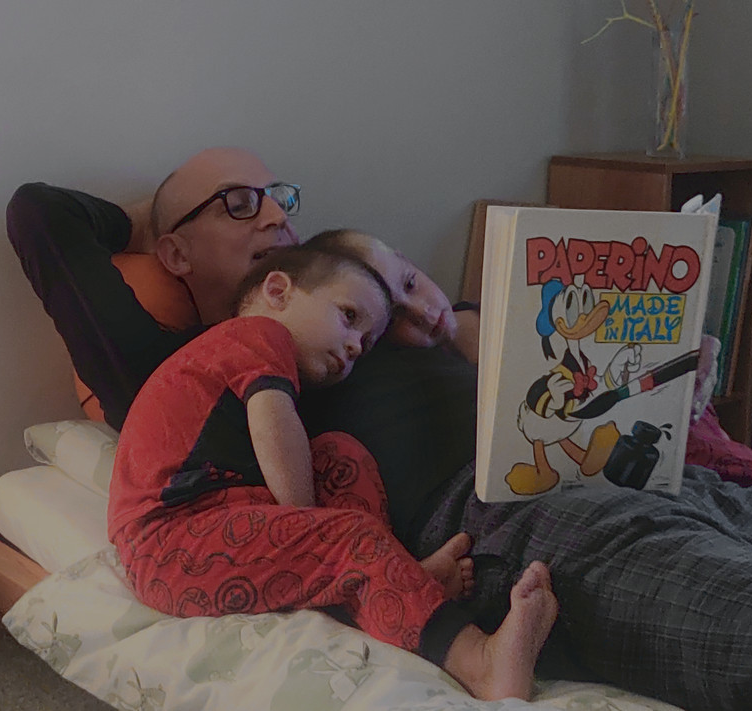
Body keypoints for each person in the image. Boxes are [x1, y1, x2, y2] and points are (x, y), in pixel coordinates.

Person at [7, 147, 752, 711]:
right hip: (533, 529)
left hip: (661, 477)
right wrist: (139, 219)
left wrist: (455, 319)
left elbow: (560, 365)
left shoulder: (367, 304)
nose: (275, 215)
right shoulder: (189, 363)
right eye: (236, 204)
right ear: (174, 251)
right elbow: (42, 222)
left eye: (281, 196)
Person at [107, 244, 555, 701]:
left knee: (339, 453)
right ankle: (481, 663)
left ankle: (395, 582)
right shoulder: (255, 335)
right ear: (277, 291)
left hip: (212, 522)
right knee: (349, 537)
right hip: (168, 539)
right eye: (348, 316)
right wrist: (313, 528)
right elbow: (273, 425)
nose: (355, 344)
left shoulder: (250, 357)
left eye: (365, 343)